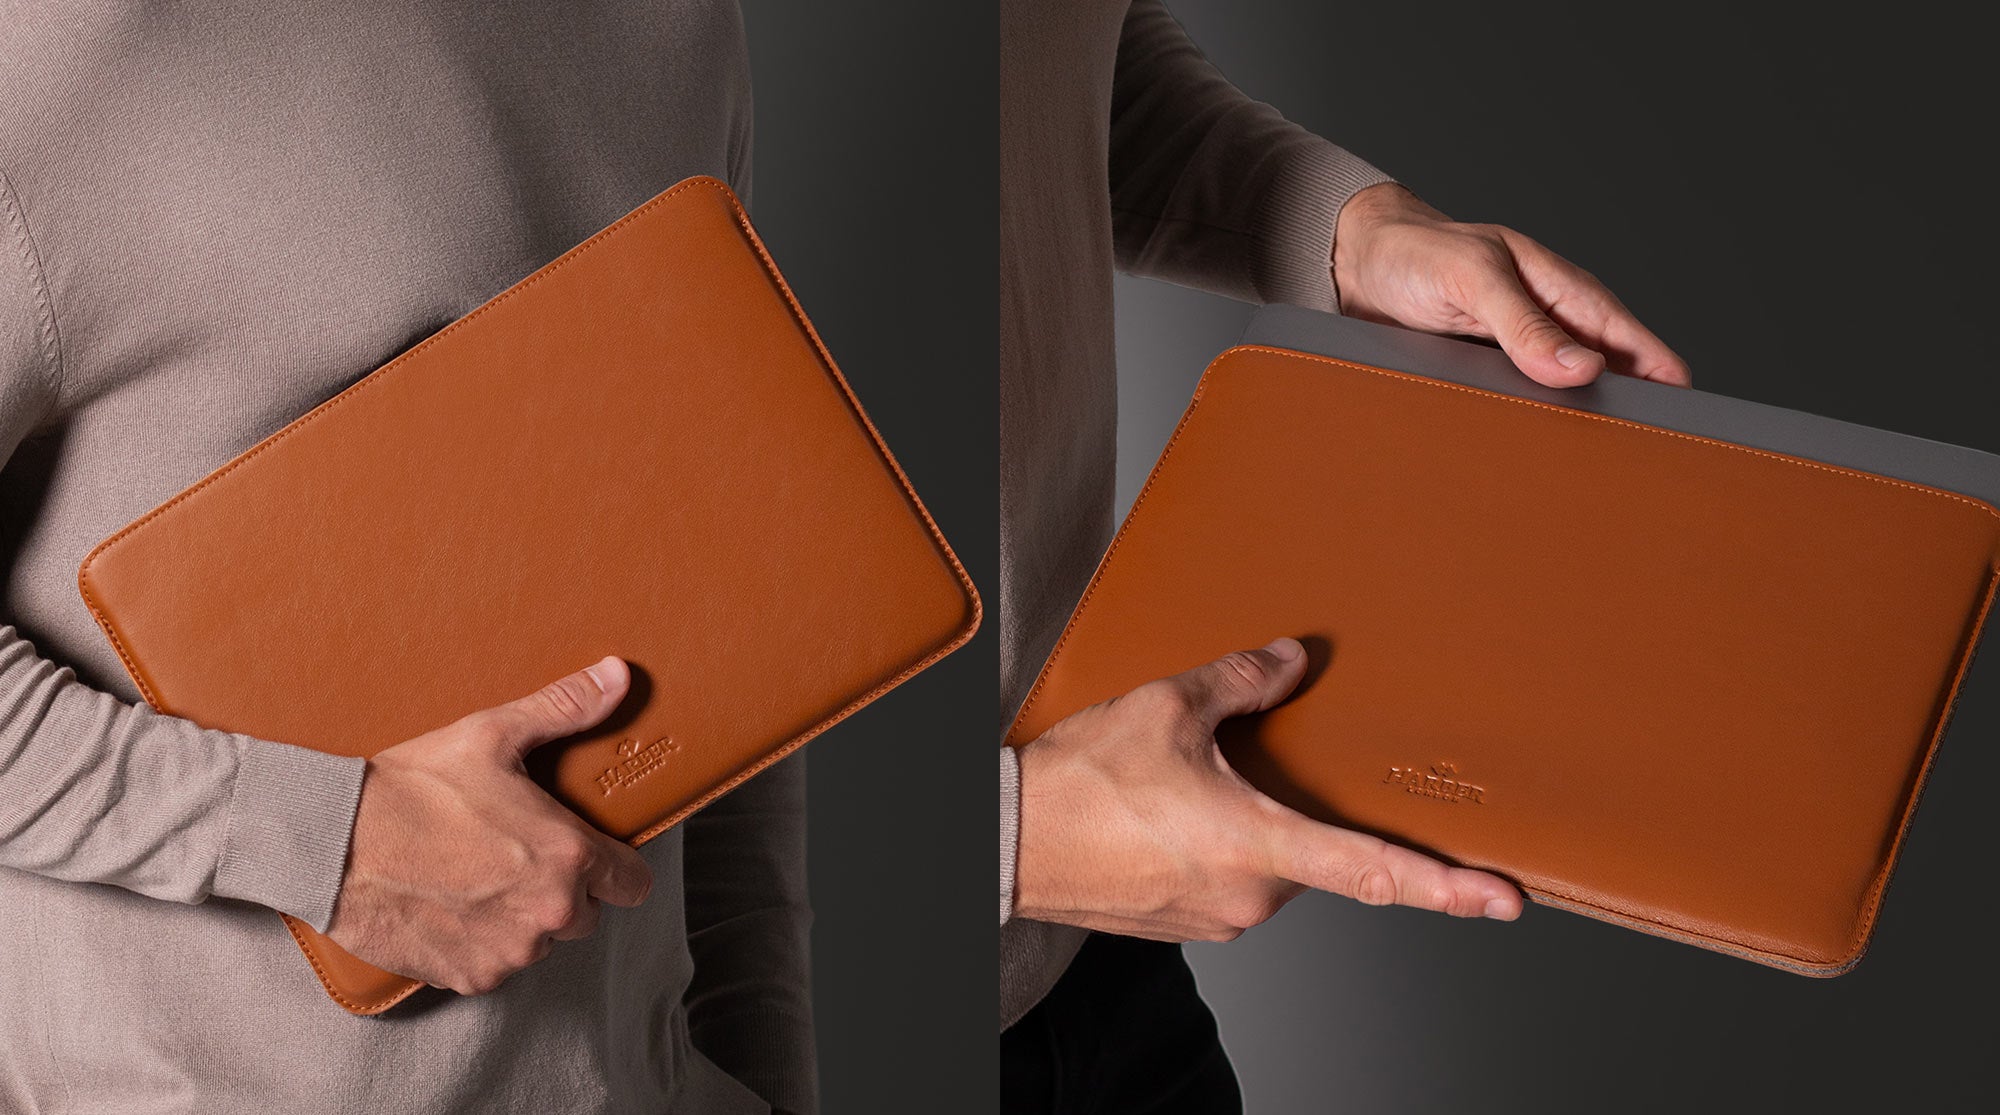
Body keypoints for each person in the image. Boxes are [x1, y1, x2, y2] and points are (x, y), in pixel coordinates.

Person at [0, 5, 812, 1112]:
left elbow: (717, 627)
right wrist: (319, 840)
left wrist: (763, 1068)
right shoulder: (63, 50)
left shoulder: (678, 25)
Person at [998, 3, 1690, 1110]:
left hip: (1090, 932)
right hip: (752, 1002)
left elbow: (1055, 63)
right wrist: (1012, 836)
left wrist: (1351, 229)